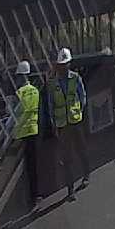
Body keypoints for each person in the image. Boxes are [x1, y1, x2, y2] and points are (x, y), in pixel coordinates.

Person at [46, 48, 90, 200]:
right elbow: (51, 105)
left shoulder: (75, 78)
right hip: (62, 125)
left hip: (75, 121)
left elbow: (82, 96)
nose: (64, 67)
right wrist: (54, 124)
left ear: (69, 64)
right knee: (67, 157)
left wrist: (79, 112)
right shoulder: (53, 84)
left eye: (66, 64)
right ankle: (70, 189)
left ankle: (86, 175)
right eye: (61, 65)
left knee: (81, 150)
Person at [13, 61, 42, 205]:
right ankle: (37, 194)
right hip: (34, 130)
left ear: (21, 76)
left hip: (22, 132)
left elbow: (15, 113)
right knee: (34, 165)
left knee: (26, 168)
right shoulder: (35, 90)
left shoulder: (19, 93)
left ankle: (29, 197)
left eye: (18, 76)